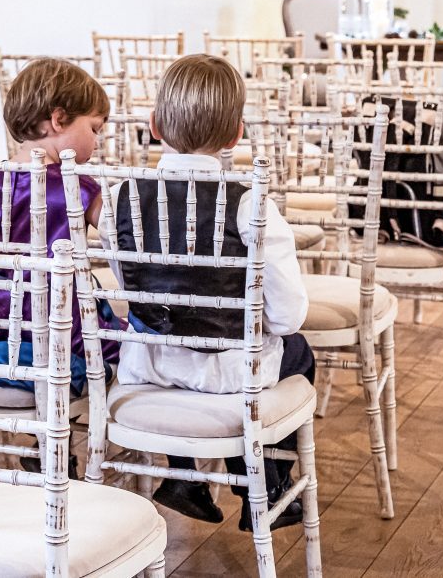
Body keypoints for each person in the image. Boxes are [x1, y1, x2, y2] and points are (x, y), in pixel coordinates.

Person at [105, 54, 314, 530]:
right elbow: (287, 317)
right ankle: (264, 486)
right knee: (299, 352)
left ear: (155, 124)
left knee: (186, 348)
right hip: (227, 371)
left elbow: (129, 284)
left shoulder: (120, 199)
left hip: (148, 364)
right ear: (236, 134)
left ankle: (183, 474)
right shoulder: (250, 203)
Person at [0, 58, 124, 474]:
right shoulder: (82, 189)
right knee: (126, 339)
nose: (97, 142)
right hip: (67, 334)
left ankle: (46, 443)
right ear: (58, 119)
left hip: (5, 326)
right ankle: (71, 439)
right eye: (95, 129)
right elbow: (123, 250)